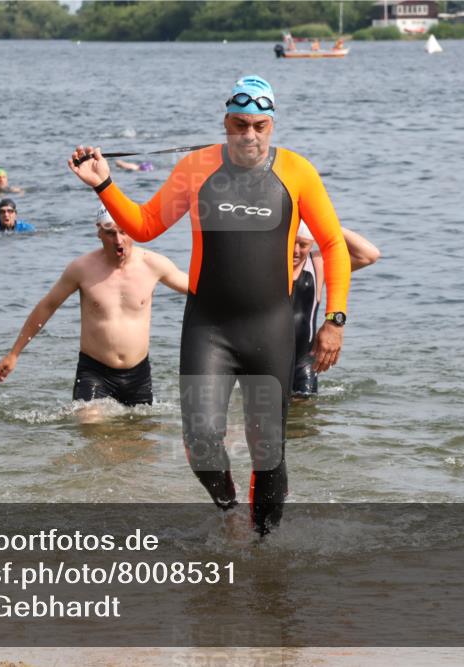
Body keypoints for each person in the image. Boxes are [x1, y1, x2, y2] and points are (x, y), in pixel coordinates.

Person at [69, 75, 350, 534]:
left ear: (272, 126)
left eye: (260, 125)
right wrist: (104, 185)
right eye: (240, 124)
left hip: (269, 328)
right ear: (225, 123)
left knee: (268, 450)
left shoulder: (296, 172)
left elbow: (333, 245)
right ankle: (231, 512)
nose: (250, 135)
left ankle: (266, 548)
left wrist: (334, 319)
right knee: (200, 440)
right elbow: (145, 225)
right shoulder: (197, 168)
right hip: (209, 327)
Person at [0, 205, 188, 420]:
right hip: (95, 372)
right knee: (91, 424)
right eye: (110, 233)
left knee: (139, 442)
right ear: (98, 232)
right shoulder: (82, 268)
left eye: (124, 231)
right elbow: (48, 306)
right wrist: (14, 353)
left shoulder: (154, 264)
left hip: (138, 374)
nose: (118, 240)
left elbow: (197, 289)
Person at [291, 224, 380, 398]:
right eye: (292, 243)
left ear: (312, 244)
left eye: (303, 245)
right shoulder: (267, 264)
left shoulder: (317, 265)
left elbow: (369, 255)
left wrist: (320, 221)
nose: (296, 251)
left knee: (304, 419)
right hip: (265, 356)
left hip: (302, 364)